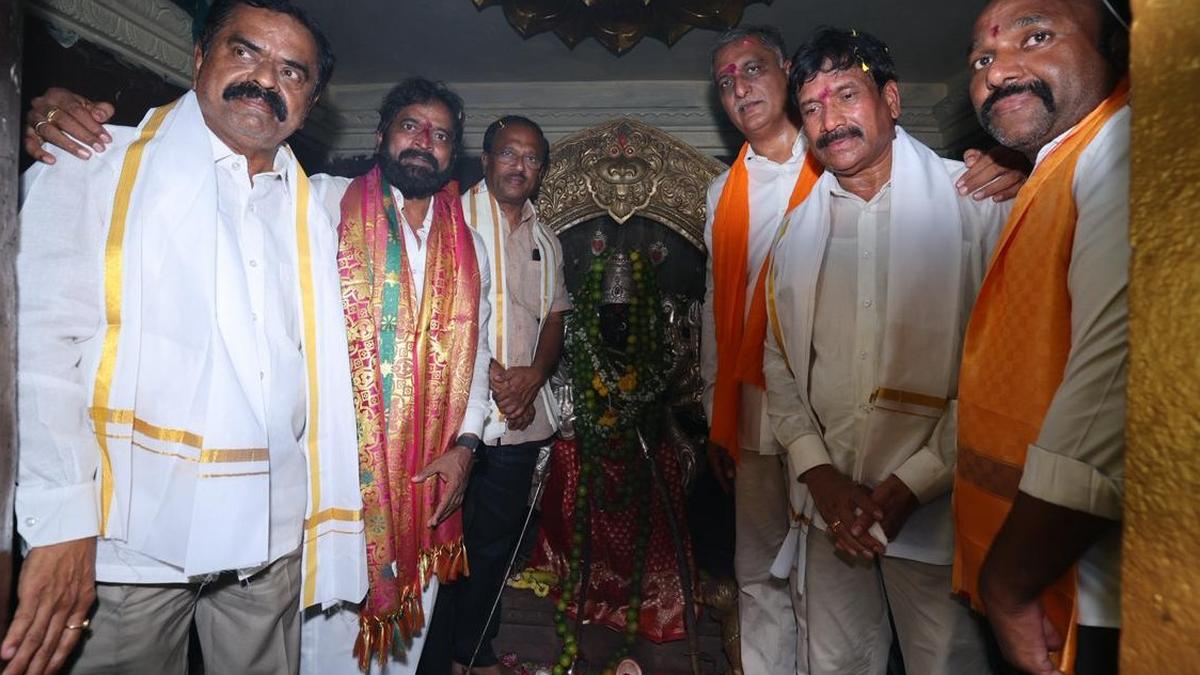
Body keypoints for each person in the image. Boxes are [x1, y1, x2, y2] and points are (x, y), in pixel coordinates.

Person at [22, 76, 493, 674]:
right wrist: (62, 115)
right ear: (380, 137)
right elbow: (213, 172)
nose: (425, 141)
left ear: (454, 153)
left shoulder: (470, 247)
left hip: (429, 475)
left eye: (442, 135)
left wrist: (466, 446)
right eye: (410, 126)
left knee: (404, 644)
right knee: (319, 648)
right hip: (335, 476)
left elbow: (478, 355)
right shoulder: (318, 201)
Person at [10, 2, 366, 674]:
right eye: (245, 51)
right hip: (128, 543)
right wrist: (61, 522)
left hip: (270, 539)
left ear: (310, 102)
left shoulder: (318, 210)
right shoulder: (94, 164)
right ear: (200, 56)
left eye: (292, 71)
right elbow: (37, 355)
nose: (267, 78)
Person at [701, 25, 1024, 674]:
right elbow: (769, 351)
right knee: (831, 653)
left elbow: (1007, 369)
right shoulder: (791, 227)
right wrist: (818, 472)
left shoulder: (979, 205)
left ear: (892, 100)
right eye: (814, 106)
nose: (830, 119)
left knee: (948, 657)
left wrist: (914, 482)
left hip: (940, 498)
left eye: (847, 95)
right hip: (823, 491)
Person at [953, 2, 1130, 674]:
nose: (999, 71)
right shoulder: (1052, 170)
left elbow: (1118, 380)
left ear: (1114, 47)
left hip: (1103, 598)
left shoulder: (1124, 141)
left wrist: (1010, 581)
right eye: (982, 58)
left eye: (1037, 36)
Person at [418, 115, 570, 675]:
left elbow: (554, 317)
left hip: (521, 421)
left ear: (541, 170)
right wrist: (499, 377)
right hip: (454, 420)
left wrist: (533, 376)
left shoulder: (547, 240)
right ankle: (433, 659)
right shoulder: (449, 220)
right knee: (440, 545)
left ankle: (473, 651)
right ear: (484, 160)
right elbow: (435, 314)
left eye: (531, 158)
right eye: (508, 153)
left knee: (493, 548)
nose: (519, 166)